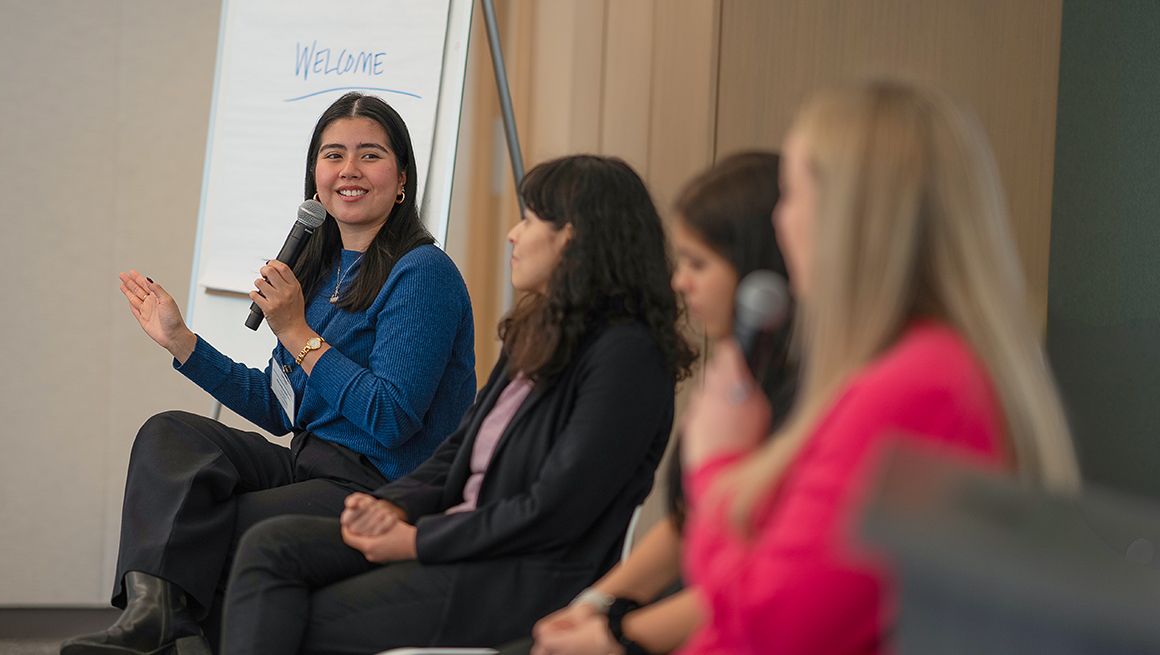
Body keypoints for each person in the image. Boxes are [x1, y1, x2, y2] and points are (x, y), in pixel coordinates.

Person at [217, 154, 698, 655]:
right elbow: (459, 448)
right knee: (270, 547)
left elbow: (552, 510)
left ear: (573, 238)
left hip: (517, 575)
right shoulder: (540, 333)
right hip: (455, 542)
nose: (514, 234)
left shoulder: (627, 355)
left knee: (305, 618)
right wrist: (392, 506)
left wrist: (417, 541)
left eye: (530, 220)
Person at [61, 92, 476, 655]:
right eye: (333, 155)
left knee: (221, 522)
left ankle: (173, 640)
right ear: (315, 176)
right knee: (170, 434)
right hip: (309, 464)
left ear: (401, 178)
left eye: (369, 155)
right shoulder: (319, 269)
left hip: (380, 485)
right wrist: (183, 342)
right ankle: (152, 618)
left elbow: (391, 418)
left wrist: (298, 333)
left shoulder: (424, 272)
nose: (348, 170)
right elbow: (280, 407)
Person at [679, 80, 1081, 655]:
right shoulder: (920, 370)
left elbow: (778, 626)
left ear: (847, 217)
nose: (779, 221)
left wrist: (715, 464)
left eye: (790, 195)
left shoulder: (918, 386)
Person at [529, 152, 796, 655]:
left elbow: (761, 583)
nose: (680, 281)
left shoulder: (797, 397)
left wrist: (617, 635)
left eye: (698, 264)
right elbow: (686, 521)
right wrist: (597, 602)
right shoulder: (741, 376)